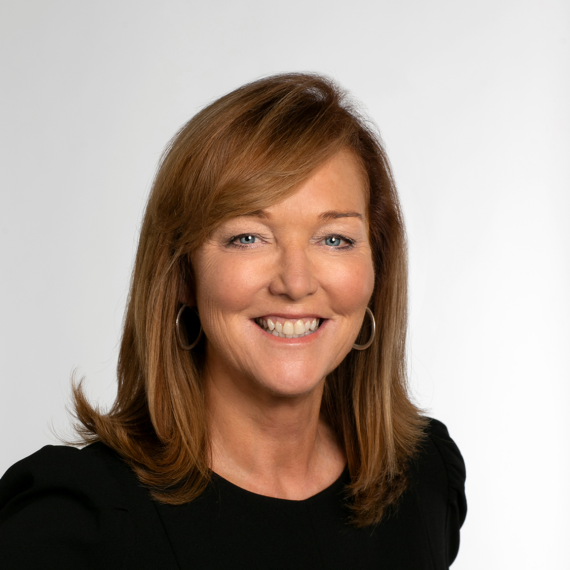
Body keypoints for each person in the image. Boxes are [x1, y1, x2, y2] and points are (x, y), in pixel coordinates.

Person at [0, 73, 466, 569]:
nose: (295, 282)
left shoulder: (423, 477)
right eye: (248, 237)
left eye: (334, 239)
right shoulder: (74, 517)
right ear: (181, 273)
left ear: (377, 267)